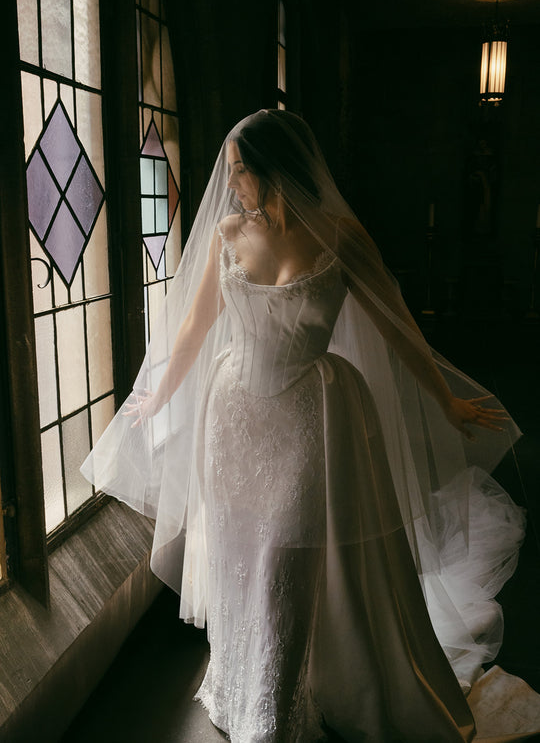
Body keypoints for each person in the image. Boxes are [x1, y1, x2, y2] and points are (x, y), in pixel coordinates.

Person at [82, 110, 527, 742]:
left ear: (275, 171)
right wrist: (156, 393)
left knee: (286, 558)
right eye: (230, 171)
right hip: (234, 420)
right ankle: (244, 683)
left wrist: (447, 402)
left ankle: (275, 712)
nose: (231, 184)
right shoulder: (229, 233)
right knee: (242, 560)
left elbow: (398, 325)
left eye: (241, 172)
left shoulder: (342, 237)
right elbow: (194, 327)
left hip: (313, 419)